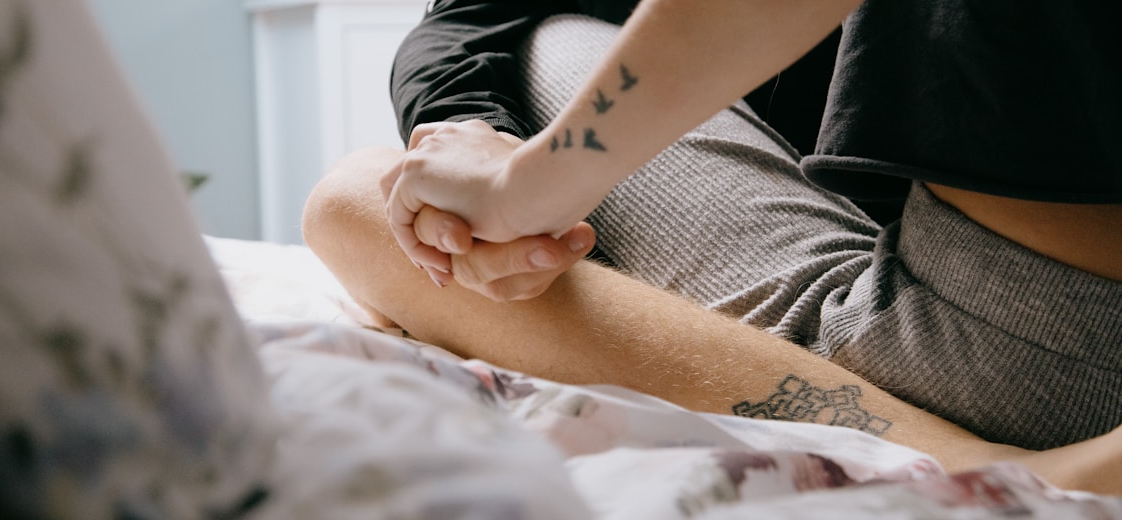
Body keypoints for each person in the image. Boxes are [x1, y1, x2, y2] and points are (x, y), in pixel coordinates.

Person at [302, 0, 1122, 493]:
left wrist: (527, 187)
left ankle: (965, 456)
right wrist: (486, 141)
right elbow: (463, 31)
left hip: (1043, 364)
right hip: (1016, 302)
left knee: (356, 201)